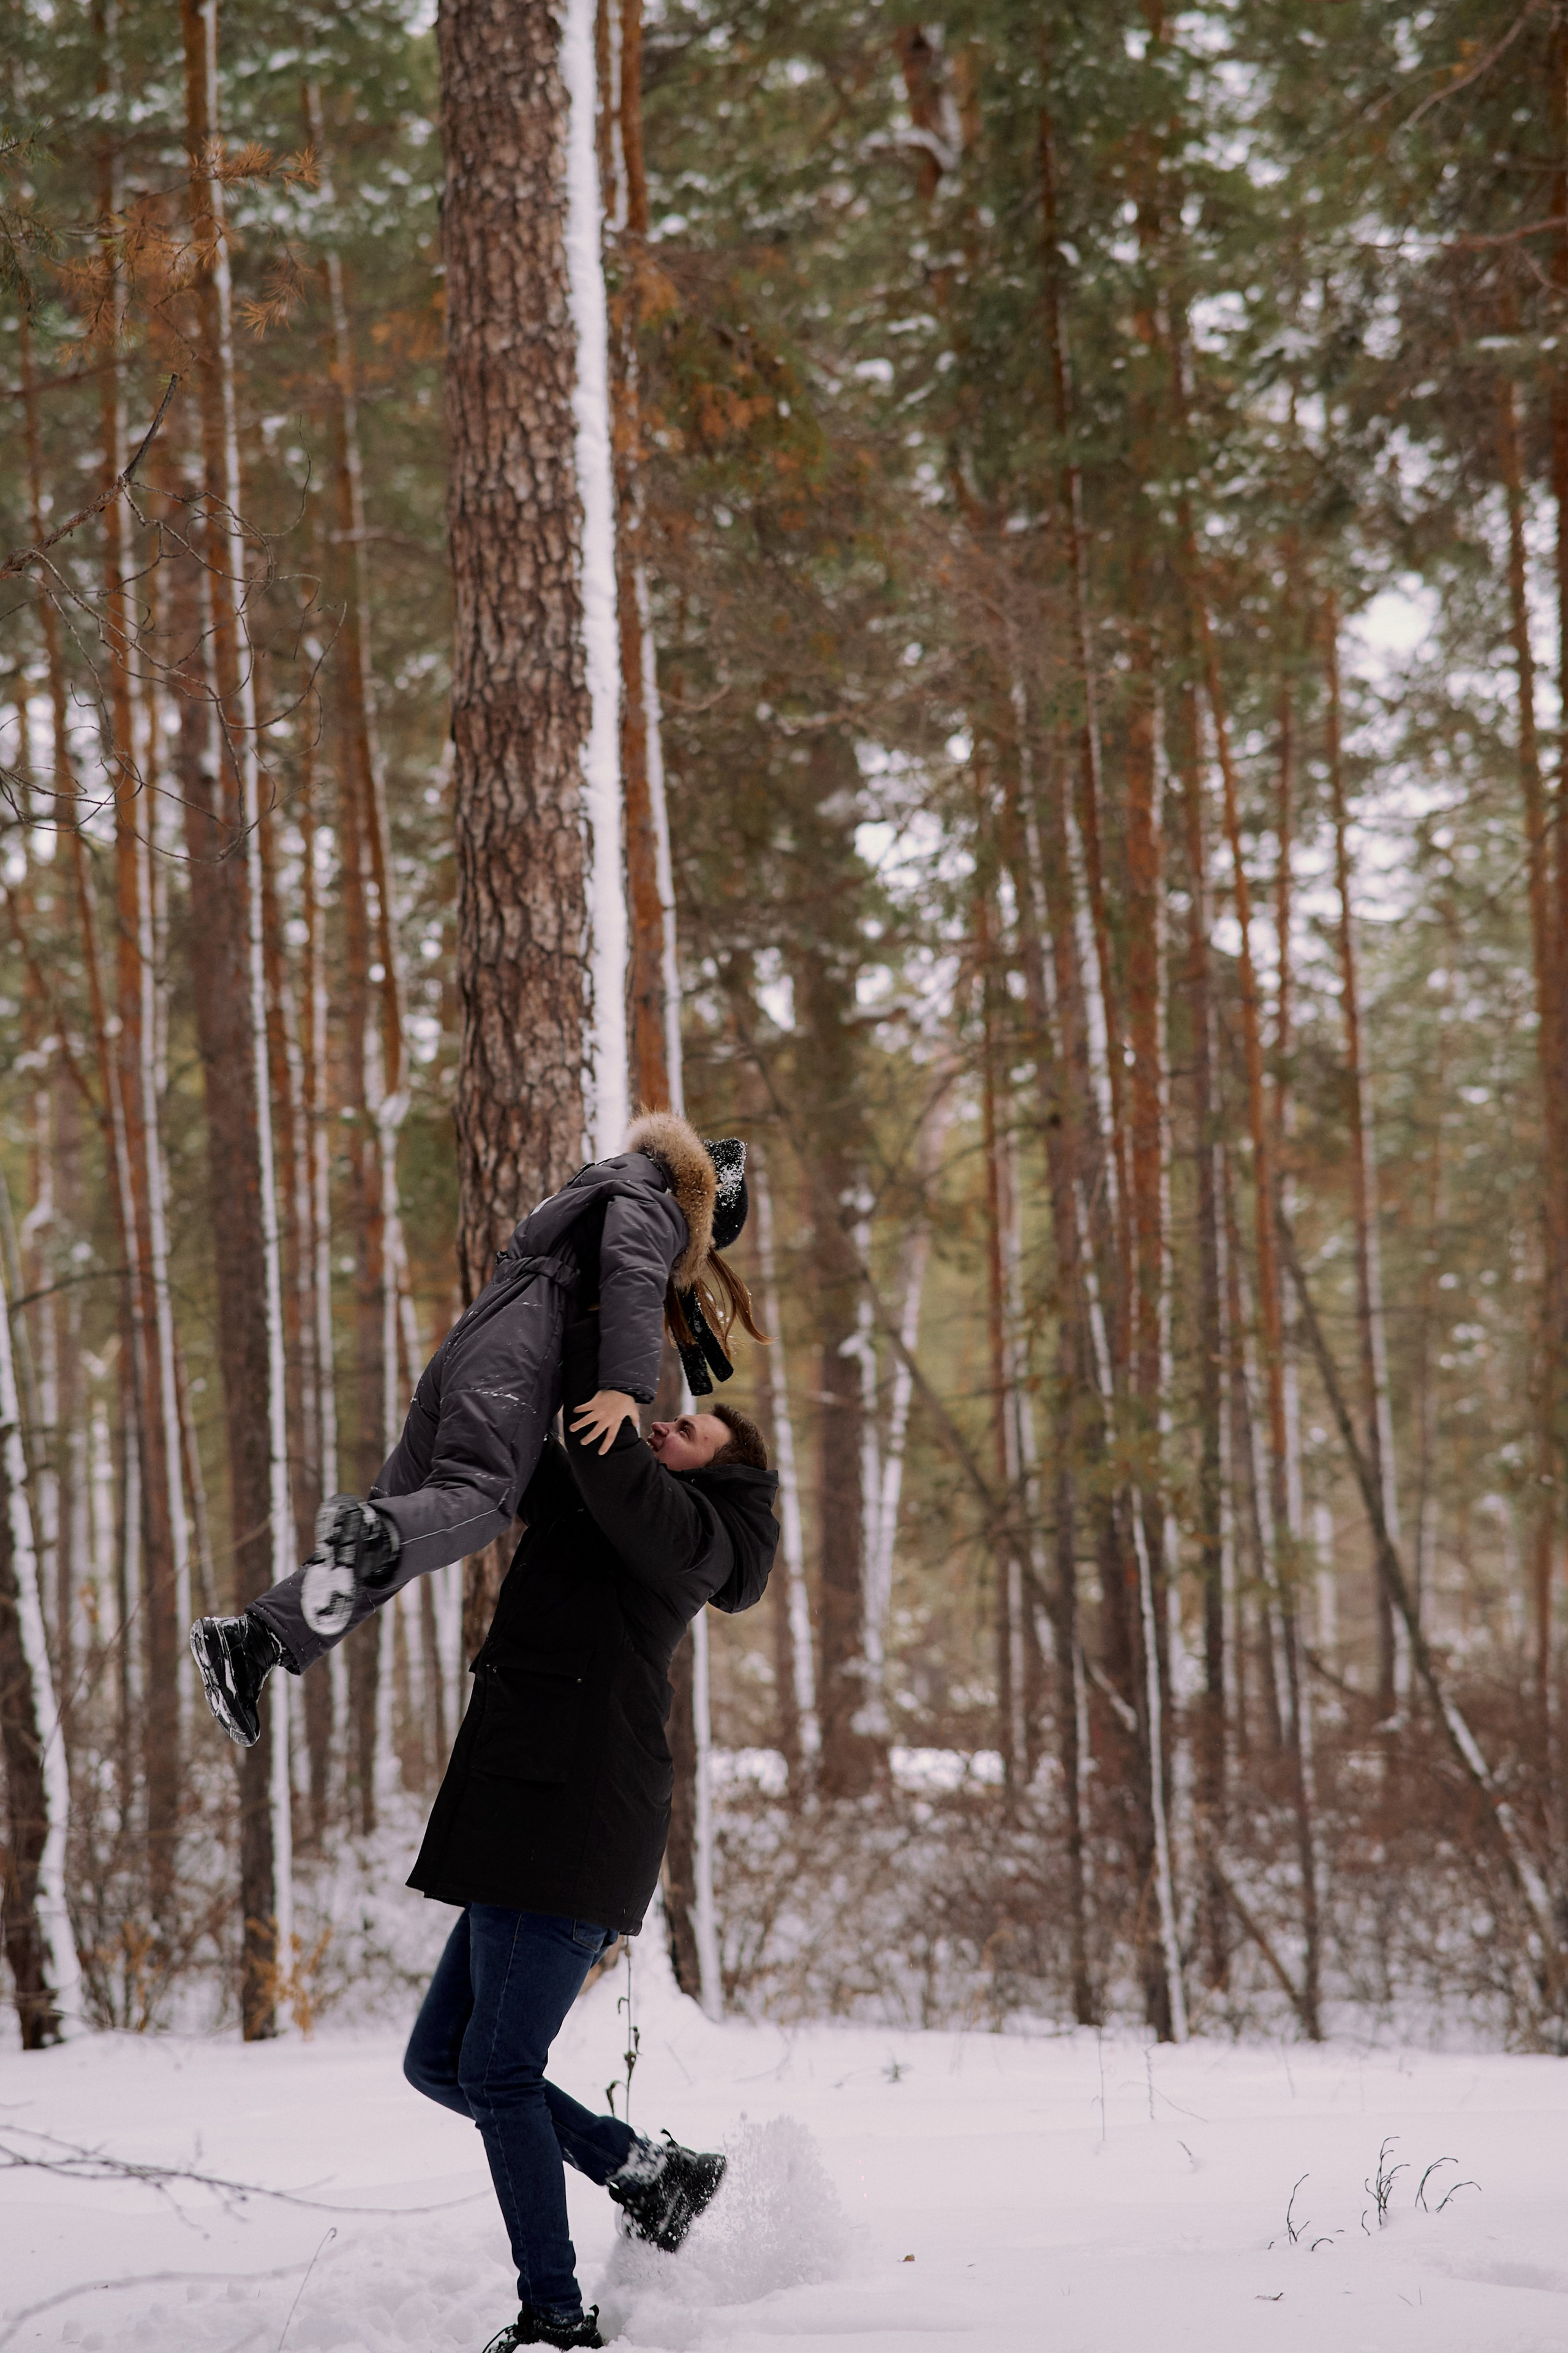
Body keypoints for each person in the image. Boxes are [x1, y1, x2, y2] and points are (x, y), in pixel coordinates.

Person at [187, 1110, 780, 2351]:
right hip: (527, 1798)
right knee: (449, 2063)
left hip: (573, 1815)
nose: (664, 1421)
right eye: (669, 1415)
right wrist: (612, 1365)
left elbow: (620, 1406)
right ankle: (645, 2173)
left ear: (713, 1479)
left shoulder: (685, 1531)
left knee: (486, 2069)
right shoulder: (631, 1430)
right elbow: (614, 1323)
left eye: (687, 1428)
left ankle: (555, 2312)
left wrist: (634, 1369)